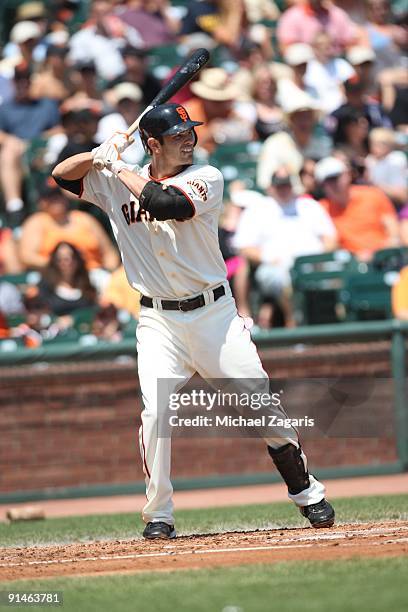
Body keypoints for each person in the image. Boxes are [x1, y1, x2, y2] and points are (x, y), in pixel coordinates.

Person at [52, 102, 335, 539]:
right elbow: (61, 175)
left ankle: (305, 490)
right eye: (177, 134)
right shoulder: (112, 179)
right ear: (153, 143)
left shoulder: (206, 177)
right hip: (158, 321)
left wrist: (120, 167)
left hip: (215, 316)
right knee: (156, 413)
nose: (188, 139)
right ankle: (159, 515)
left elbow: (165, 204)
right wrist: (97, 154)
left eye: (190, 131)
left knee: (261, 408)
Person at [234, 166, 337, 327]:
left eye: (286, 184)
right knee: (278, 278)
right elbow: (245, 247)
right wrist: (267, 259)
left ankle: (337, 327)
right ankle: (294, 322)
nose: (283, 189)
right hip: (275, 265)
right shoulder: (258, 209)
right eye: (279, 185)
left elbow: (330, 238)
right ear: (270, 187)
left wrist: (320, 258)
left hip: (313, 264)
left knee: (339, 270)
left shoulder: (308, 205)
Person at [19, 182, 119, 288]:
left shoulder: (84, 219)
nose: (56, 201)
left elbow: (109, 252)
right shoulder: (36, 222)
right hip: (54, 277)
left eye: (58, 196)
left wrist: (111, 271)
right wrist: (61, 264)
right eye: (50, 198)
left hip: (93, 274)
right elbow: (27, 257)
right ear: (41, 202)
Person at [316, 156, 400, 260]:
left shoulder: (373, 195)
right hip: (349, 265)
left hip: (384, 258)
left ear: (347, 175)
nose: (333, 184)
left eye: (336, 177)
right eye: (328, 181)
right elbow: (329, 245)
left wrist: (375, 254)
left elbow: (394, 234)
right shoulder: (321, 209)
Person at [37, 241, 97, 316]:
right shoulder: (45, 286)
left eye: (70, 258)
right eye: (60, 259)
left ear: (78, 260)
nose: (66, 263)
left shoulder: (89, 283)